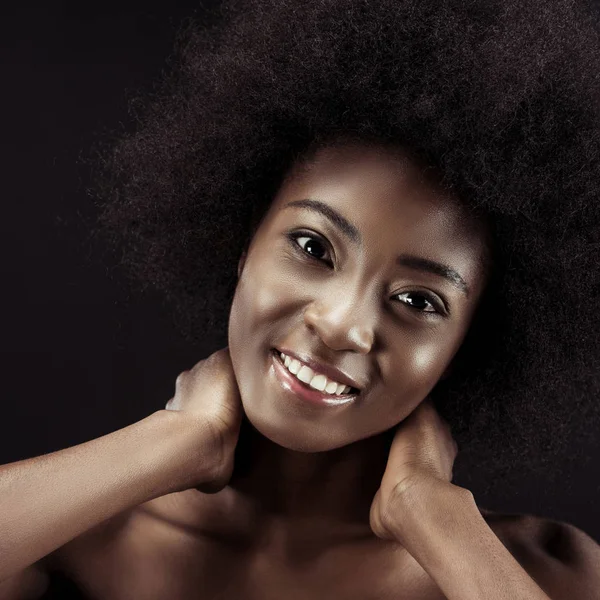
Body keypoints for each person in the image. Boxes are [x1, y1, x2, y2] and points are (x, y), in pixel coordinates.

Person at [2, 0, 600, 598]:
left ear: (468, 340)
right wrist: (170, 445)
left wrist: (431, 515)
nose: (343, 324)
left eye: (420, 302)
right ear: (244, 239)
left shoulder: (551, 572)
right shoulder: (75, 535)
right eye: (314, 247)